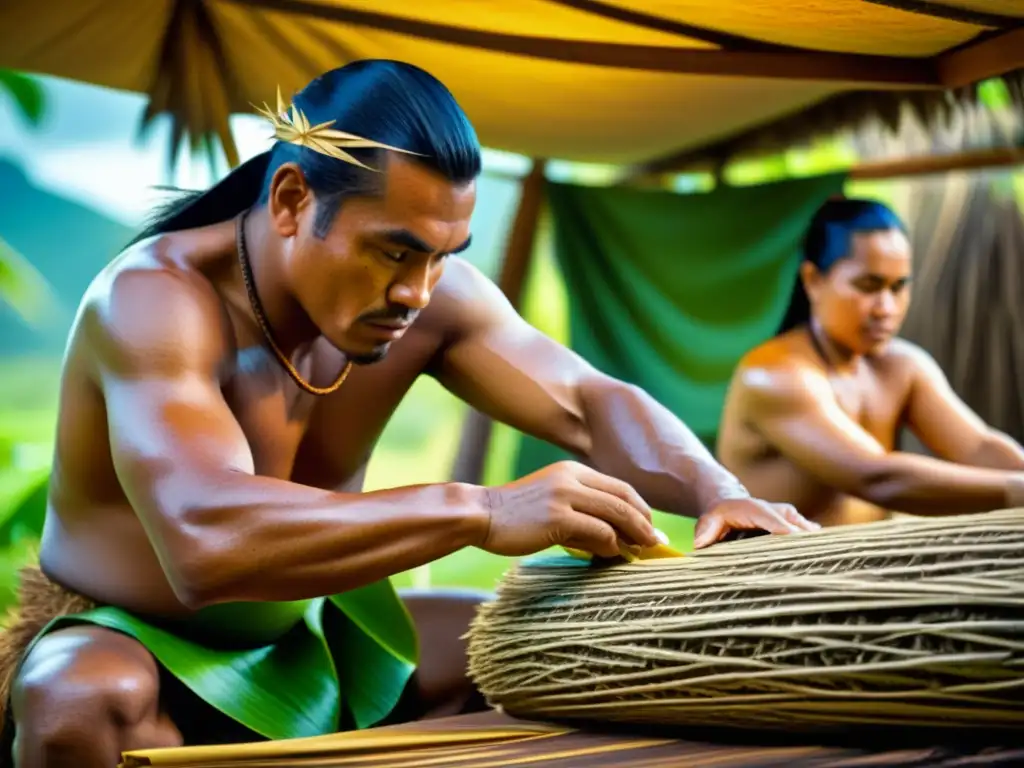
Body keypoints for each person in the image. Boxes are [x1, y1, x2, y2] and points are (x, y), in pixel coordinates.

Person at [0, 60, 816, 768]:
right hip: (133, 639)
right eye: (395, 250)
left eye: (443, 257)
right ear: (291, 200)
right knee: (79, 697)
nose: (416, 293)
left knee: (554, 648)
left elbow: (587, 400)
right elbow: (204, 543)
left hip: (316, 633)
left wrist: (715, 490)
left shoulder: (428, 299)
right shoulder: (155, 299)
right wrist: (483, 510)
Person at [717, 197, 1024, 528]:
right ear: (813, 280)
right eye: (869, 286)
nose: (886, 307)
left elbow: (978, 446)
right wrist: (1016, 490)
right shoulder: (773, 375)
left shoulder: (902, 366)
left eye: (898, 287)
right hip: (776, 574)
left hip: (873, 567)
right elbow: (878, 477)